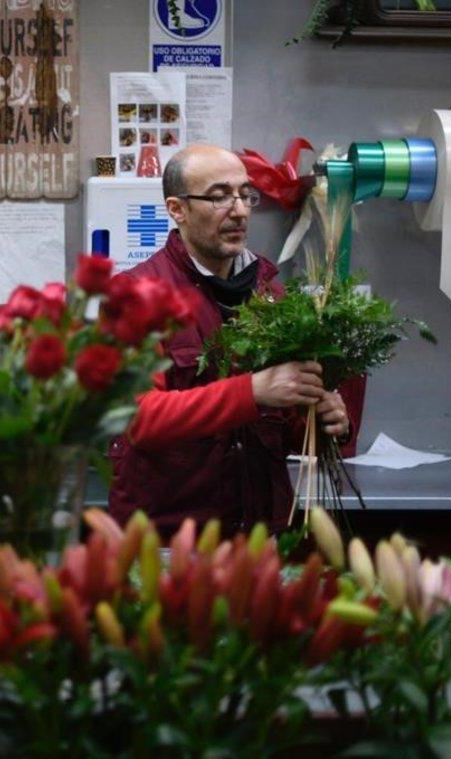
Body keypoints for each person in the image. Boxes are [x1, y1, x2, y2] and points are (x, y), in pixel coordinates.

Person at [108, 144, 358, 536]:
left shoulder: (271, 295)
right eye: (219, 196)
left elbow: (284, 429)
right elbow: (139, 419)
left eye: (245, 194)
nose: (239, 210)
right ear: (177, 210)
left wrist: (324, 420)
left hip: (260, 534)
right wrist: (251, 391)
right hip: (170, 542)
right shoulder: (137, 296)